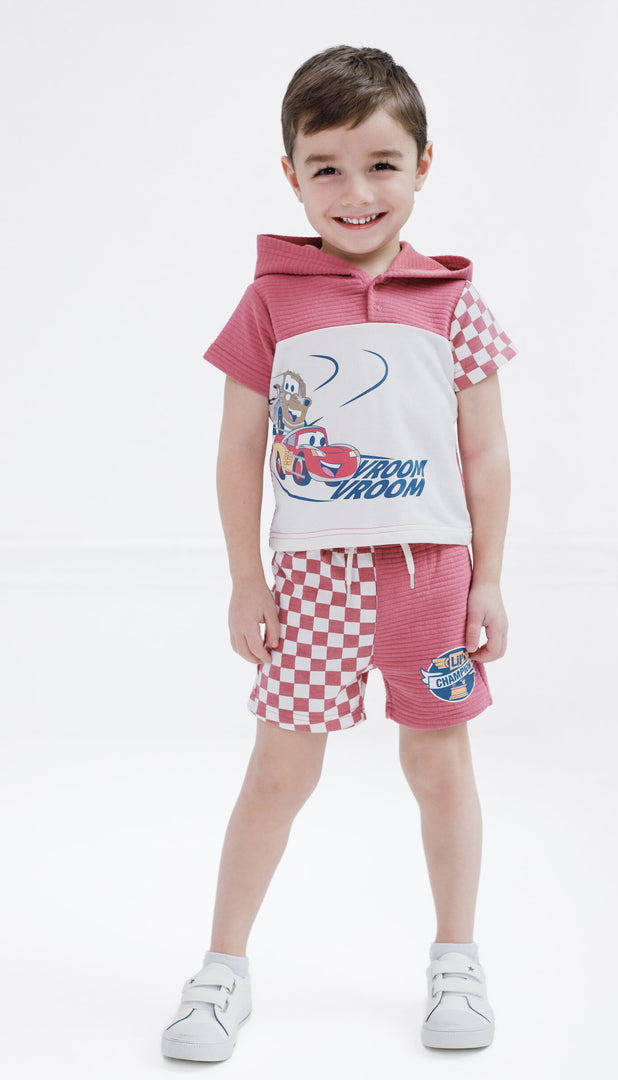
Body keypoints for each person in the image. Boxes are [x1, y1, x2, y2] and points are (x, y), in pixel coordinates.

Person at [161, 44, 517, 1061]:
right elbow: (238, 450)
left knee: (440, 765)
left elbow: (486, 453)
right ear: (292, 175)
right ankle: (222, 969)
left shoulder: (454, 302)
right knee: (278, 774)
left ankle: (457, 958)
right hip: (311, 585)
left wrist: (489, 579)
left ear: (423, 165)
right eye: (327, 168)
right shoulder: (270, 301)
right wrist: (246, 578)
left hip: (431, 581)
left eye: (381, 164)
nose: (356, 193)